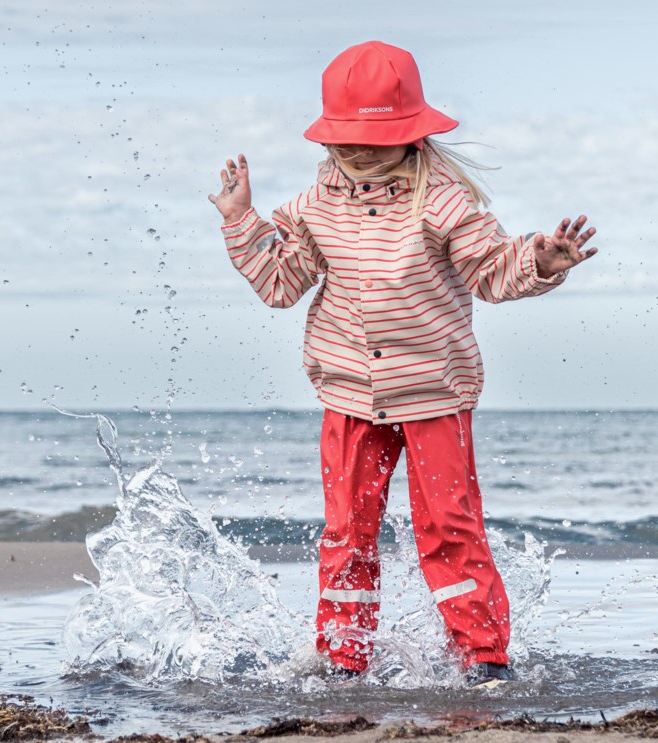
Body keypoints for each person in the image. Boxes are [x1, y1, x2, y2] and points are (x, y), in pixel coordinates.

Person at [209, 40, 596, 686]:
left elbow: (491, 272)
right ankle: (341, 655)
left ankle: (483, 658)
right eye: (348, 140)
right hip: (348, 398)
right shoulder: (313, 208)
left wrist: (539, 259)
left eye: (376, 139)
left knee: (448, 527)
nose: (359, 151)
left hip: (434, 396)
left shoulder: (442, 205)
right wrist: (241, 220)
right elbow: (279, 284)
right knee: (346, 533)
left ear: (413, 135)